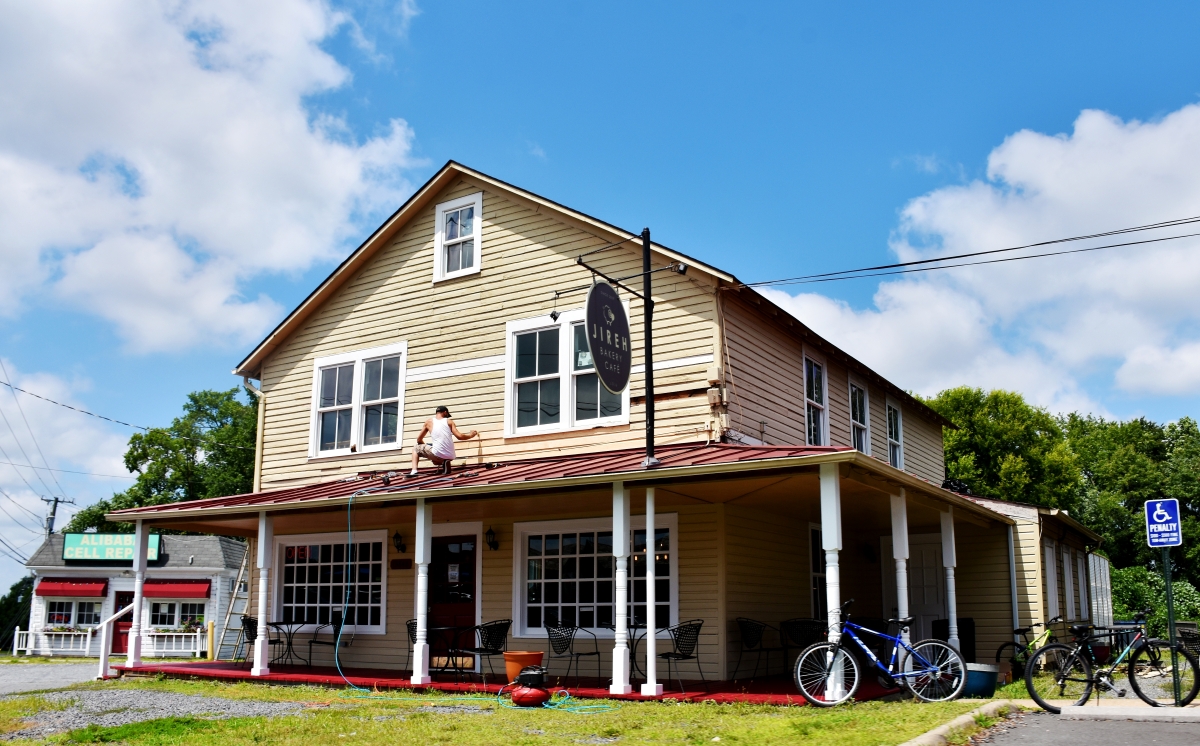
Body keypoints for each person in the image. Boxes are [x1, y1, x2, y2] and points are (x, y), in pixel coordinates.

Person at [408, 405, 477, 476]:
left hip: (438, 454)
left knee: (416, 448)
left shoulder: (429, 422)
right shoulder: (449, 422)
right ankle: (445, 462)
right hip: (451, 455)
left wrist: (426, 449)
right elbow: (460, 436)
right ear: (445, 412)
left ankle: (414, 471)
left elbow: (419, 440)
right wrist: (471, 435)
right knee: (436, 450)